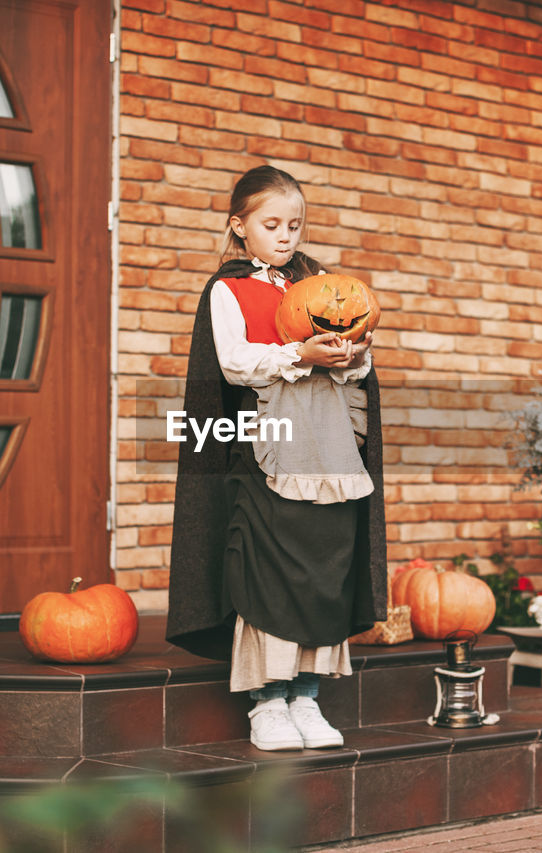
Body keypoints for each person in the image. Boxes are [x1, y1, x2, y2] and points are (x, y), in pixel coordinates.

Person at [166, 165, 388, 751]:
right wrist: (300, 352)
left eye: (295, 224)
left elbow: (355, 368)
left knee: (327, 567)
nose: (286, 235)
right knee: (271, 567)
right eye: (272, 224)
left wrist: (351, 356)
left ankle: (307, 696)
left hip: (331, 444)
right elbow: (235, 362)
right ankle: (267, 702)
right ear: (240, 227)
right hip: (268, 444)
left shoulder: (316, 282)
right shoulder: (227, 289)